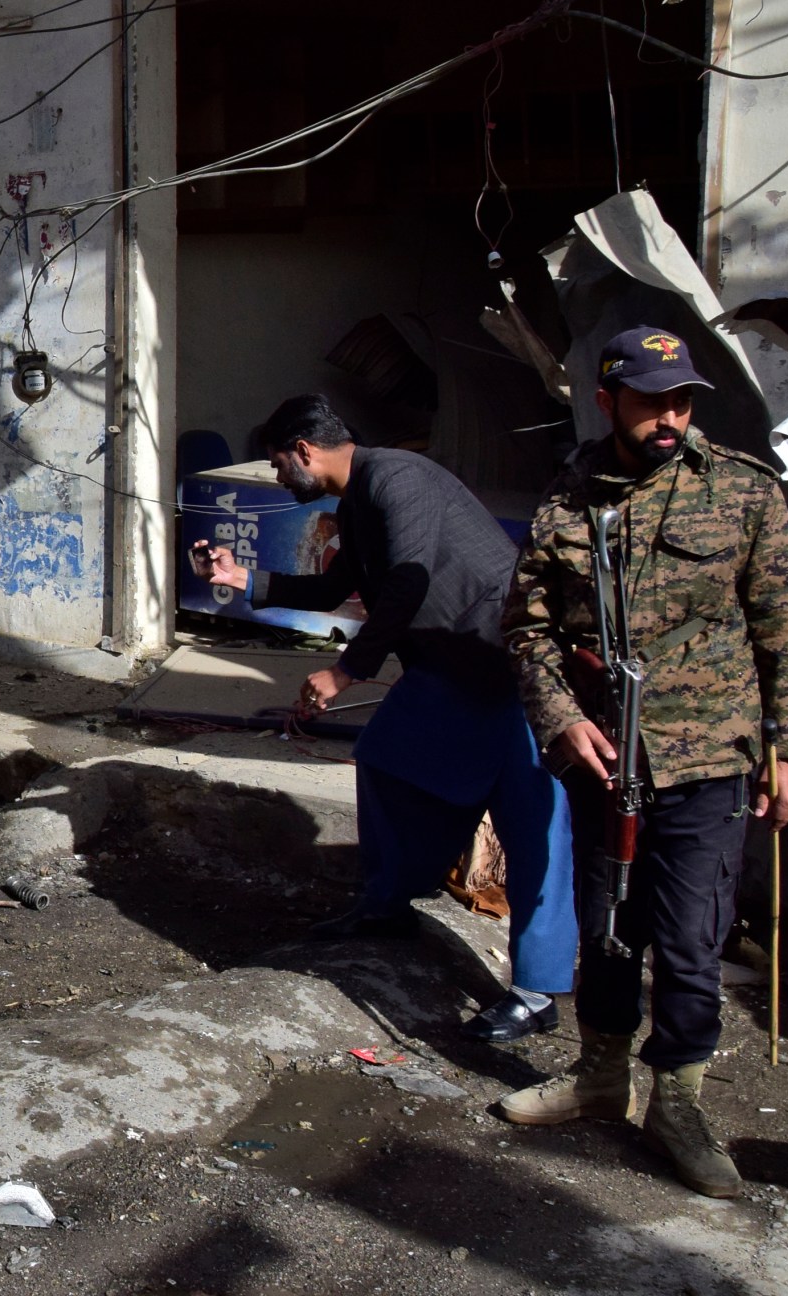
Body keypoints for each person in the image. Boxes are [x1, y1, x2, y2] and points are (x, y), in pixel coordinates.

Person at [496, 326, 788, 1198]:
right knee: (607, 931)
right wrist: (559, 719)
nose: (669, 418)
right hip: (605, 763)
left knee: (687, 942)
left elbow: (787, 635)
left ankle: (678, 1103)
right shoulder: (570, 499)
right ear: (608, 402)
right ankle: (602, 1077)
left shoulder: (743, 493)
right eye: (650, 402)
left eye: (680, 402)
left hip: (710, 760)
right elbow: (526, 629)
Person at [191, 395, 577, 1043]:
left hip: (509, 664)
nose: (279, 479)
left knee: (532, 818)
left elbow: (407, 582)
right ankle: (389, 903)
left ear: (305, 451)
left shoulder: (400, 479)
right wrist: (241, 577)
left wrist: (345, 672)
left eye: (280, 466)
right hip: (448, 665)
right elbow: (329, 587)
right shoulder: (359, 500)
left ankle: (538, 991)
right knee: (388, 759)